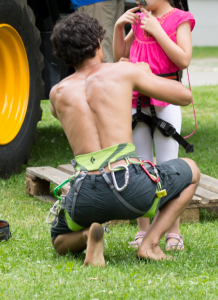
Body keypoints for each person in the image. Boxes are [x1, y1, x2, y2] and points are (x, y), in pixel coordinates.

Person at [49, 12, 200, 267]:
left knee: (59, 238)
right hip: (131, 189)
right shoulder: (122, 72)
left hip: (84, 194)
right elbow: (184, 96)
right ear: (99, 43)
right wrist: (145, 74)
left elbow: (66, 111)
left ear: (61, 55)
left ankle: (87, 235)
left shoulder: (57, 93)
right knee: (192, 171)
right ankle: (150, 244)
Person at [113, 0, 195, 250]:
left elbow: (183, 59)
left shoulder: (180, 18)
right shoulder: (139, 18)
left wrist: (158, 30)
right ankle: (142, 230)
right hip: (137, 101)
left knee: (170, 167)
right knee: (140, 166)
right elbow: (120, 56)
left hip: (166, 97)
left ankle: (173, 232)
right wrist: (119, 27)